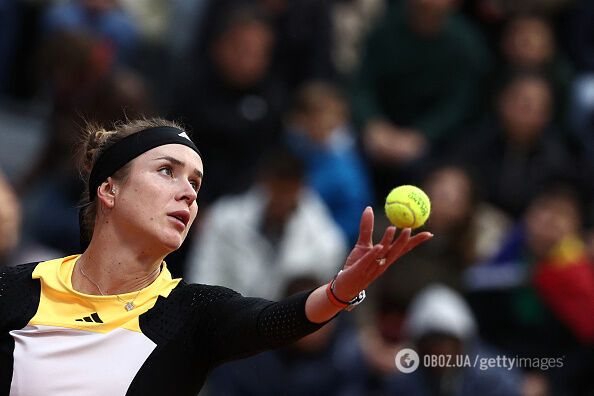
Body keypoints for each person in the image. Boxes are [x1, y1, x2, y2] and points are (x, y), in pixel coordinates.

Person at [0, 118, 433, 395]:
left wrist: (342, 290)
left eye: (196, 182)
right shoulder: (15, 289)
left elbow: (275, 320)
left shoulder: (192, 313)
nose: (188, 191)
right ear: (110, 189)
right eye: (167, 171)